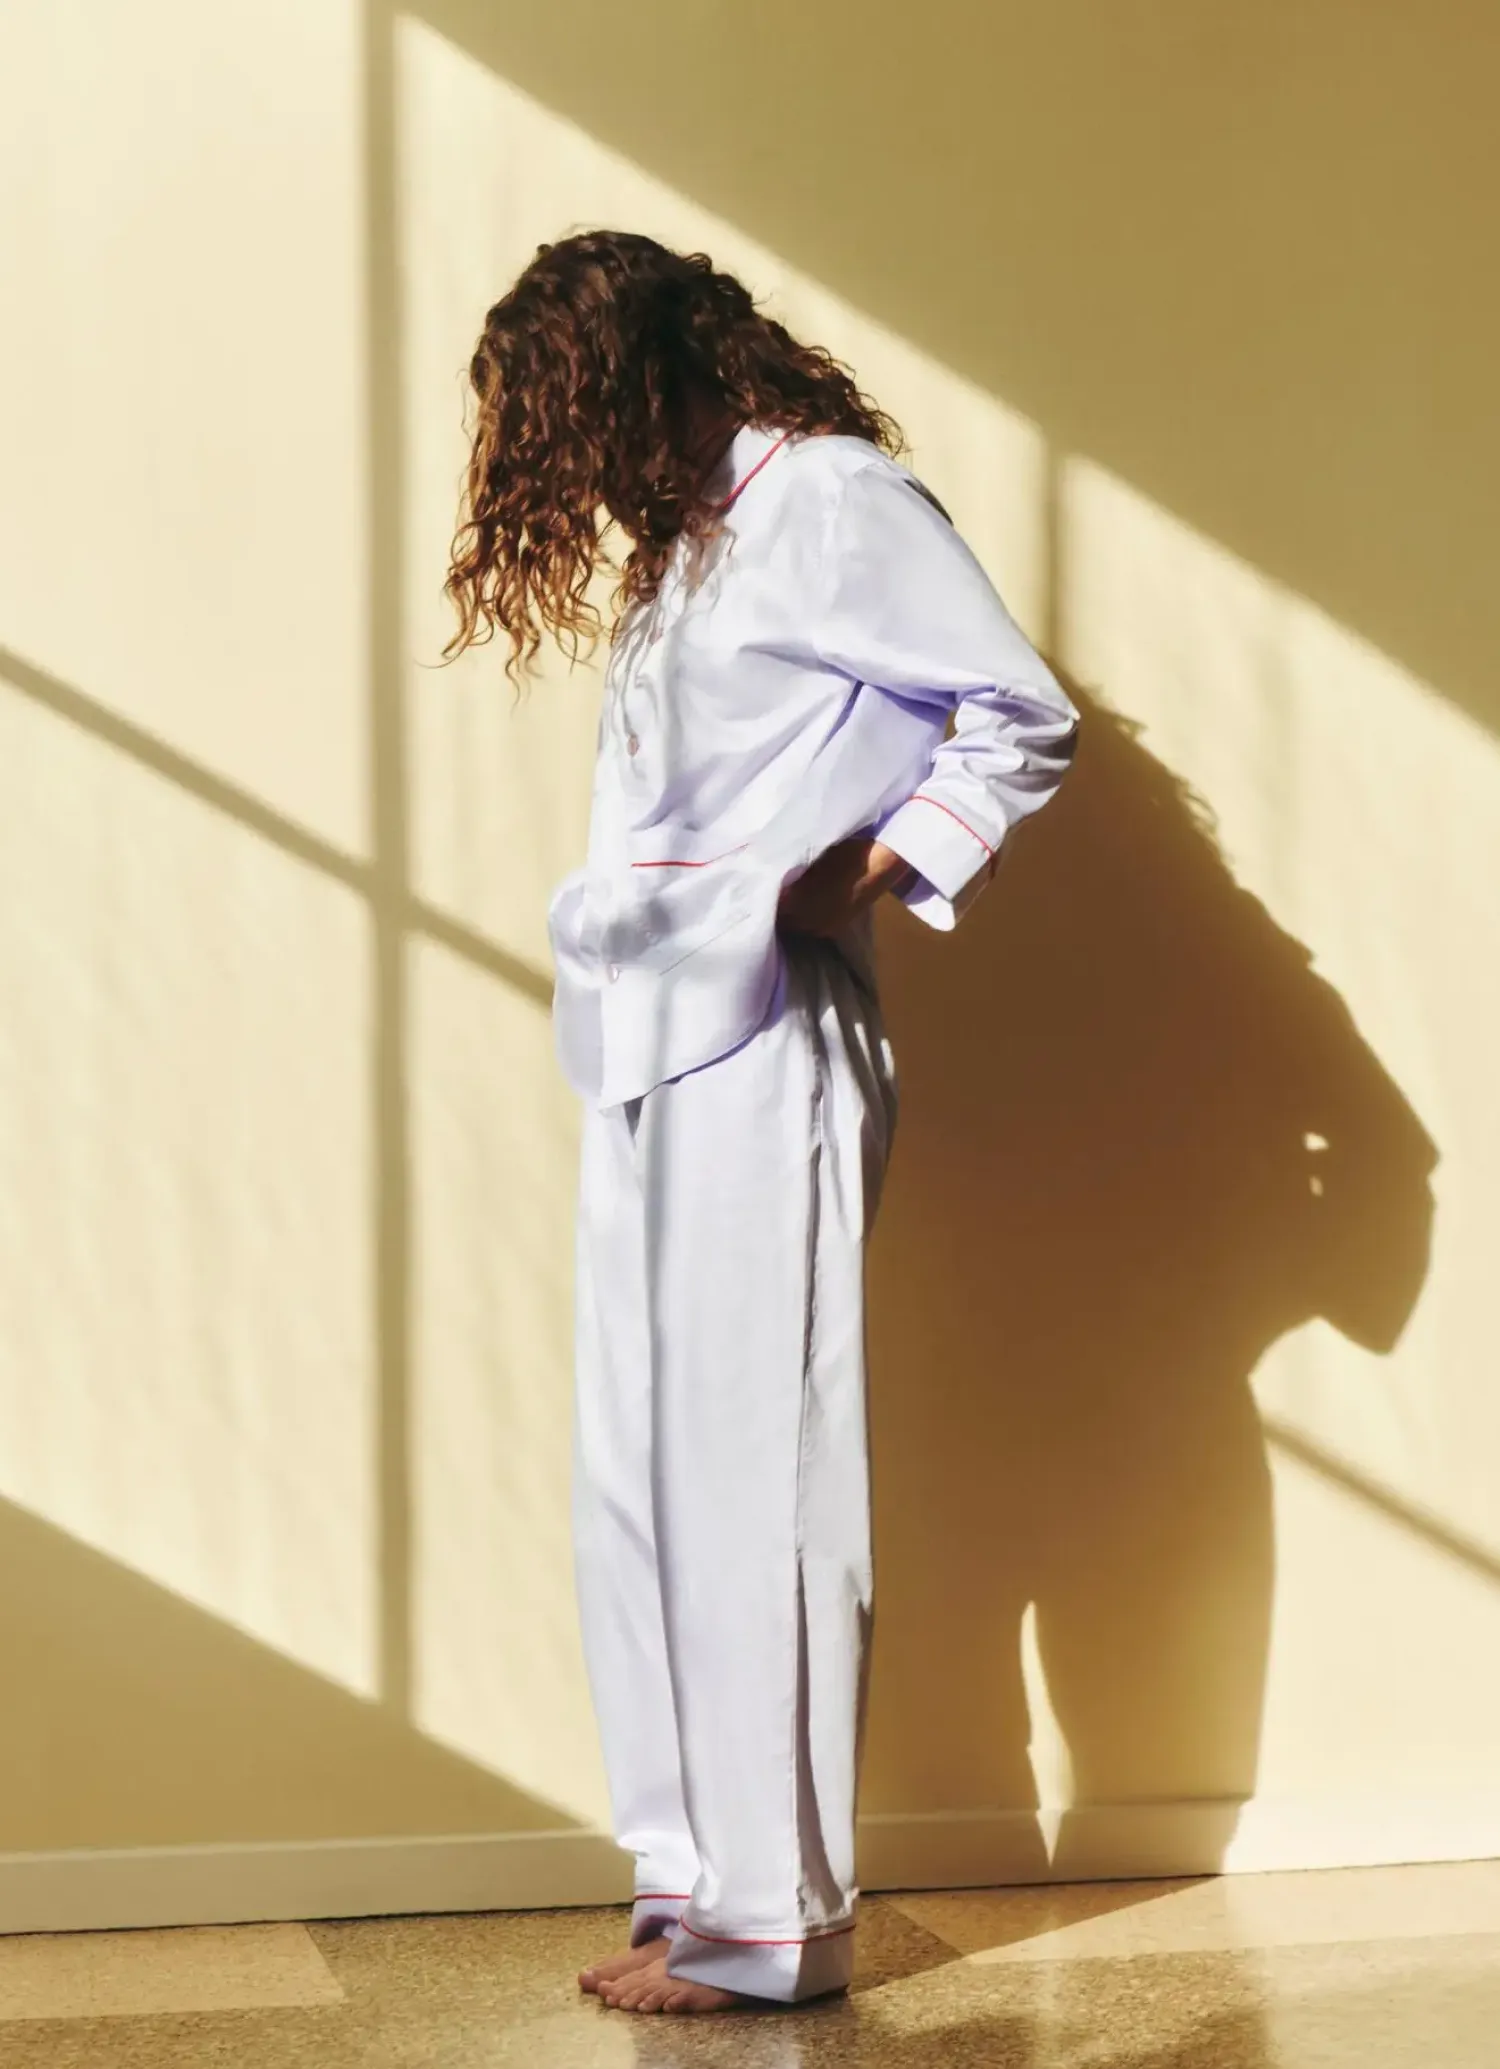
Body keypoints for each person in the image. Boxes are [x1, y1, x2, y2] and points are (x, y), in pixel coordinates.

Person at [444, 229, 1078, 2016]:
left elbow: (1019, 715)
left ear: (651, 368)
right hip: (641, 1038)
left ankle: (774, 1921)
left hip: (772, 1035)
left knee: (759, 1474)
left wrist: (859, 875)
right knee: (639, 1475)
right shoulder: (687, 550)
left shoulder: (830, 498)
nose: (570, 466)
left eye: (573, 414)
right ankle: (689, 1881)